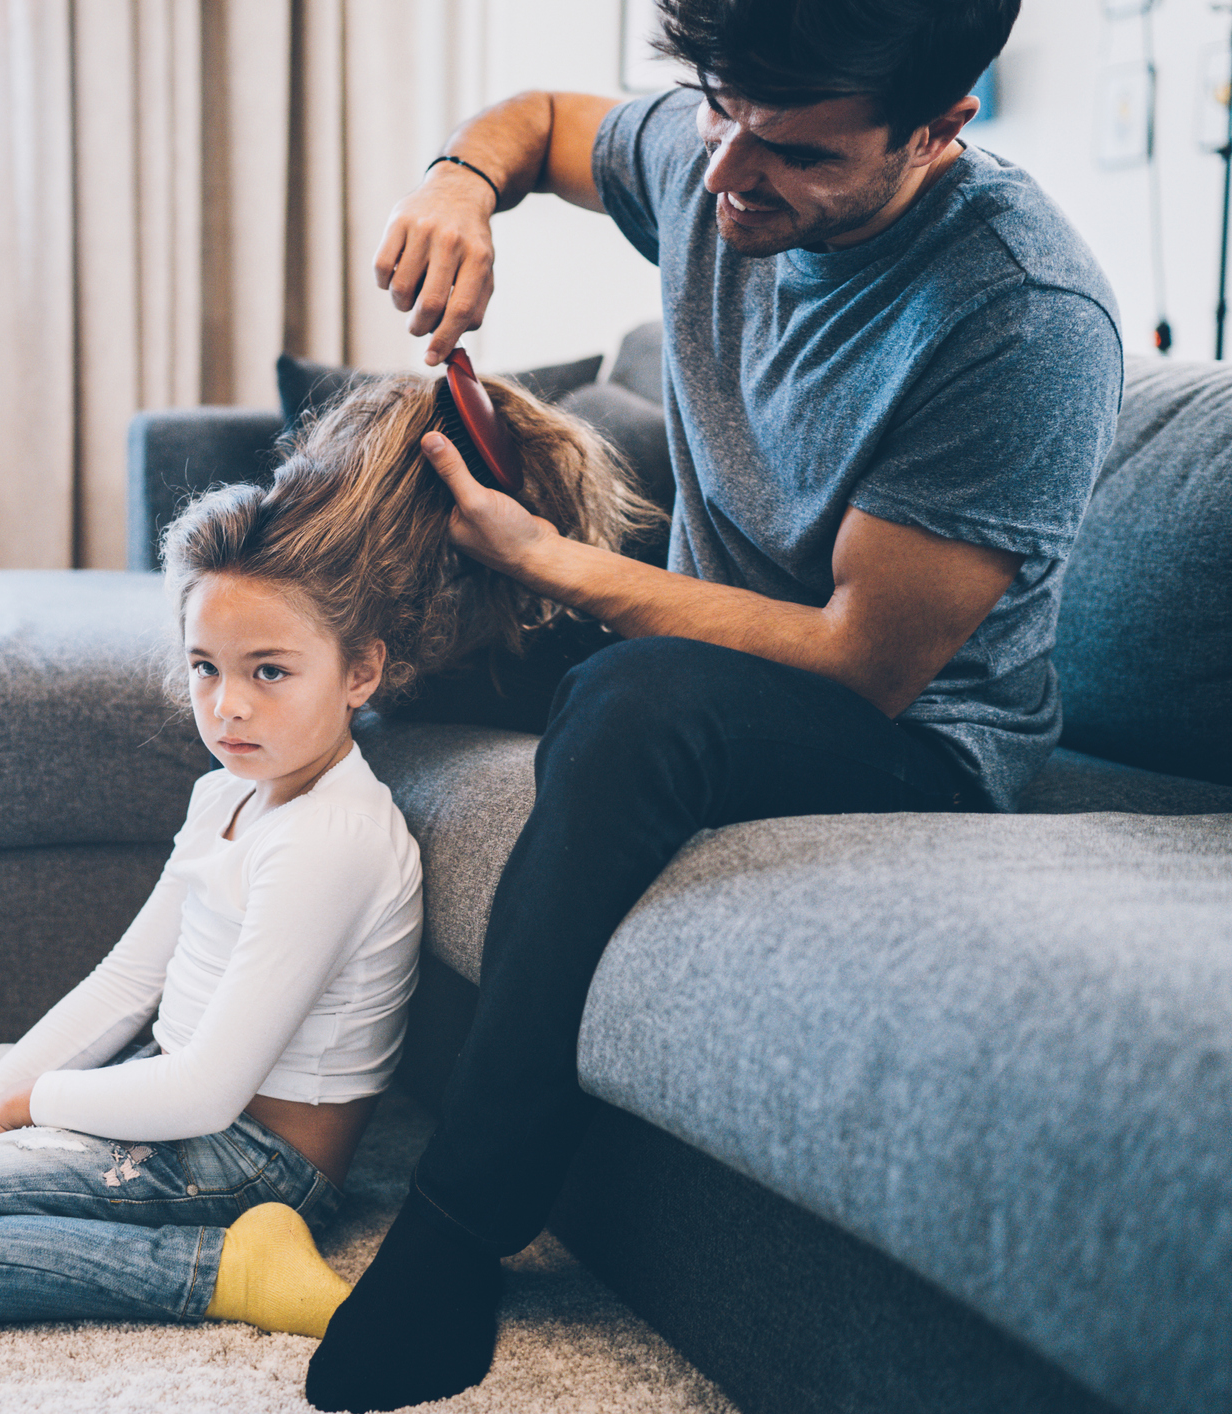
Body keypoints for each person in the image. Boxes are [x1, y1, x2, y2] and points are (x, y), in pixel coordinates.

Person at [302, 2, 1126, 1410]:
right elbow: (555, 126)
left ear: (939, 131)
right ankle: (266, 1066)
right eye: (719, 114)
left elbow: (861, 655)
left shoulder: (1019, 315)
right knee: (382, 634)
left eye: (796, 151)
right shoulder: (720, 148)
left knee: (629, 704)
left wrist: (563, 567)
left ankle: (457, 1227)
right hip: (711, 650)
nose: (734, 172)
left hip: (911, 735)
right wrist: (461, 177)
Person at [0, 374, 656, 1336]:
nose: (228, 708)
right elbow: (128, 978)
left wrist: (30, 1106)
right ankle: (6, 1134)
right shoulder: (225, 793)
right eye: (205, 669)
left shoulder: (329, 839)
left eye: (270, 673)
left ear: (362, 673)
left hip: (251, 1159)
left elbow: (209, 1088)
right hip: (173, 1080)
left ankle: (224, 1268)